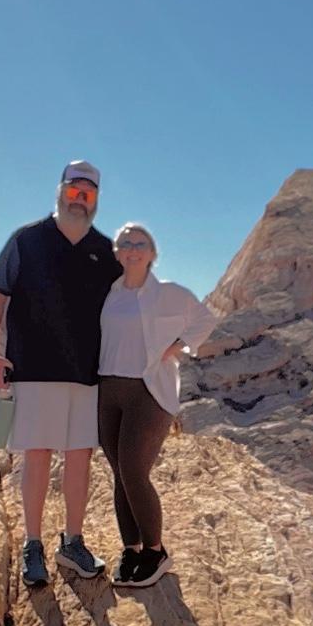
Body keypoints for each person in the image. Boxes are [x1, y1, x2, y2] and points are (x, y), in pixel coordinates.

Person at [0, 160, 122, 588]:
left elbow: (126, 314)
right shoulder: (27, 240)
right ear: (60, 191)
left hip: (86, 374)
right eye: (74, 191)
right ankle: (33, 545)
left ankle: (73, 543)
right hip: (34, 369)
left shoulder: (105, 252)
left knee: (80, 456)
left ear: (96, 200)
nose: (80, 199)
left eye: (89, 194)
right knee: (37, 454)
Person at [97, 222, 219, 587]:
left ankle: (156, 551)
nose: (132, 248)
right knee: (119, 473)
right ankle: (131, 550)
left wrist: (179, 346)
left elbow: (205, 319)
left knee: (135, 470)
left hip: (149, 392)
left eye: (140, 243)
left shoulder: (170, 294)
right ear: (117, 253)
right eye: (125, 243)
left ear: (152, 253)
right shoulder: (107, 294)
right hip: (108, 391)